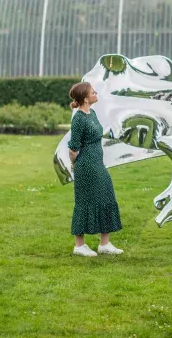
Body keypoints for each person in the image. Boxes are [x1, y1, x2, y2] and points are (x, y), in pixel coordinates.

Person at [67, 82, 123, 257]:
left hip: (98, 163)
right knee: (85, 202)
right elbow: (73, 148)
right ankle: (79, 246)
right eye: (93, 92)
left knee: (106, 196)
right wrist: (75, 164)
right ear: (85, 98)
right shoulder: (78, 119)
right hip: (86, 166)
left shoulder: (92, 113)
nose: (96, 93)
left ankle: (104, 244)